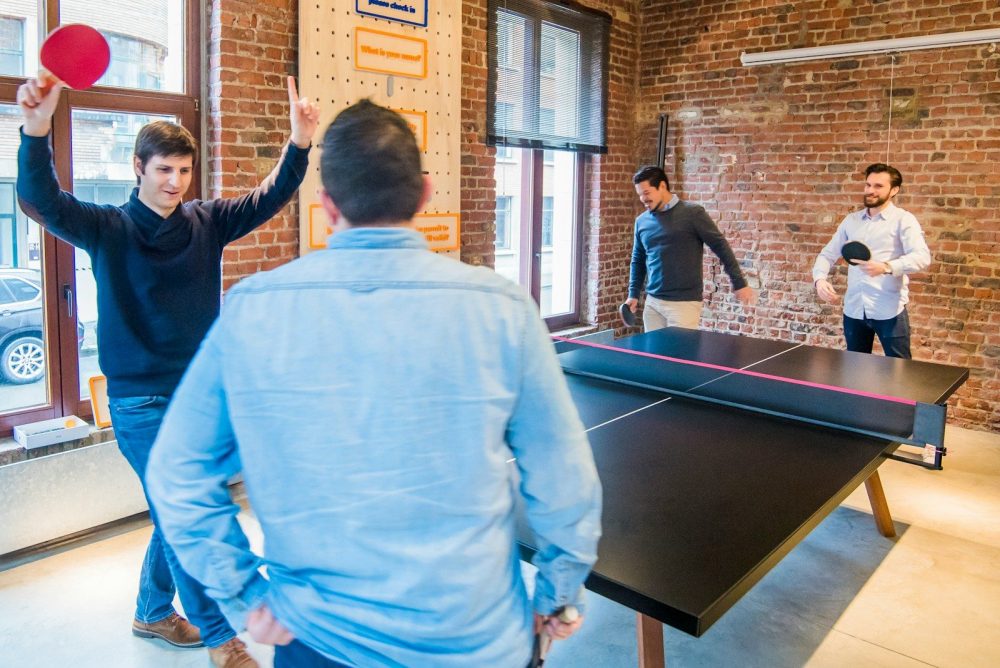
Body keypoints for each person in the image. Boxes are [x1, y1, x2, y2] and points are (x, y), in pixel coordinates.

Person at [144, 100, 602, 668]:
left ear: (326, 205)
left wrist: (245, 593)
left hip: (317, 643)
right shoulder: (503, 308)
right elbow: (566, 482)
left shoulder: (252, 310)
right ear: (426, 194)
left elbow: (175, 474)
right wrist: (558, 597)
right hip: (476, 642)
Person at [16, 75, 320, 668]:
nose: (175, 182)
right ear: (138, 168)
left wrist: (299, 143)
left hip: (200, 396)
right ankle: (219, 638)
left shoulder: (206, 222)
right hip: (138, 403)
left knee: (178, 506)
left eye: (183, 171)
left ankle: (152, 611)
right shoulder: (107, 227)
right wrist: (34, 130)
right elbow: (40, 200)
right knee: (185, 510)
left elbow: (269, 196)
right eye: (163, 171)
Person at [812, 163, 931, 359]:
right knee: (855, 371)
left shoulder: (904, 220)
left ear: (894, 190)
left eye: (878, 186)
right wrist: (820, 280)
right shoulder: (851, 221)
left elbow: (921, 256)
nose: (870, 190)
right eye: (868, 185)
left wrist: (887, 267)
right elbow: (827, 254)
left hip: (889, 311)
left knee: (900, 372)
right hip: (854, 310)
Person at [625, 166, 756, 330]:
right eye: (639, 195)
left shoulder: (693, 213)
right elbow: (638, 260)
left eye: (646, 193)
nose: (643, 199)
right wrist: (633, 295)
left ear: (662, 187)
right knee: (652, 356)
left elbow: (720, 246)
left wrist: (739, 283)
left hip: (684, 305)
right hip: (653, 304)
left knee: (680, 355)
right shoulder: (641, 221)